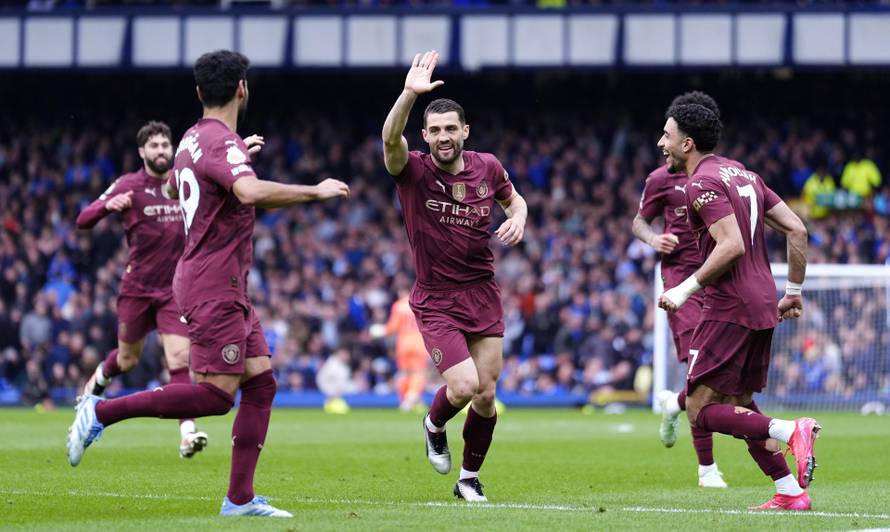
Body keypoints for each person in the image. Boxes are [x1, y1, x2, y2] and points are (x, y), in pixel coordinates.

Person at [67, 49, 350, 518]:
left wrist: (233, 162)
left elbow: (180, 188)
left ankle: (238, 499)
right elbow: (248, 192)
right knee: (217, 396)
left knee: (261, 384)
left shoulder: (191, 139)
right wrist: (313, 190)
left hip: (221, 281)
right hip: (212, 281)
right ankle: (98, 412)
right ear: (243, 88)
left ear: (200, 93)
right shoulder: (221, 143)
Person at [656, 102, 820, 511]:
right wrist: (794, 290)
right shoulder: (743, 172)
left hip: (729, 306)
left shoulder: (700, 183)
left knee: (699, 409)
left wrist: (684, 290)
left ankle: (791, 429)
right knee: (742, 403)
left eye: (667, 135)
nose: (662, 143)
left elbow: (731, 244)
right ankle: (789, 491)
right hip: (764, 302)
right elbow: (797, 229)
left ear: (687, 143)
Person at [381, 50, 528, 502]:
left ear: (465, 132)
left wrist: (519, 216)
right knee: (462, 386)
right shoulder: (414, 170)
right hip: (437, 297)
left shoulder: (488, 166)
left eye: (451, 129)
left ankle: (467, 479)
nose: (443, 138)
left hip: (483, 293)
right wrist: (408, 94)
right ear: (424, 136)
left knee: (486, 396)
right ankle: (433, 422)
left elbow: (515, 199)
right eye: (435, 131)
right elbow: (389, 141)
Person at [75, 121, 207, 458]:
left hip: (173, 291)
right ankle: (94, 388)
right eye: (155, 146)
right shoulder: (128, 185)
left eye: (165, 145)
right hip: (136, 289)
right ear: (142, 152)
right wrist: (108, 205)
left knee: (179, 360)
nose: (161, 151)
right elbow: (83, 219)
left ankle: (187, 434)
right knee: (127, 359)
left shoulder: (183, 182)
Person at [632, 91, 727, 488]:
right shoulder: (660, 178)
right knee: (699, 367)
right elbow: (638, 222)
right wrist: (655, 241)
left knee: (721, 380)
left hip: (719, 280)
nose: (663, 143)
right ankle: (707, 469)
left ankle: (673, 404)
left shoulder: (719, 174)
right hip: (679, 284)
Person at [370, 287, 428, 412]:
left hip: (403, 344)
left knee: (405, 373)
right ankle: (411, 398)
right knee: (418, 373)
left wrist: (380, 330)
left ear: (402, 292)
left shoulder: (398, 306)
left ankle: (405, 400)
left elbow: (392, 328)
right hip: (419, 343)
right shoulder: (421, 303)